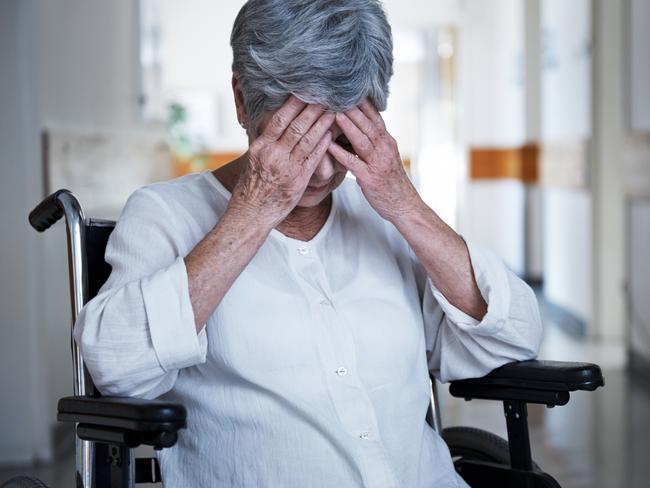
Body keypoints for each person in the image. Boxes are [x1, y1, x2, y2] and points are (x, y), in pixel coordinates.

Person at [74, 1, 543, 486]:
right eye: (299, 139)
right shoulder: (165, 215)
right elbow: (118, 366)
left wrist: (406, 206)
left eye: (342, 140)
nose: (321, 171)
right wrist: (254, 211)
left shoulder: (381, 213)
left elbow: (513, 333)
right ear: (242, 101)